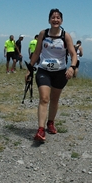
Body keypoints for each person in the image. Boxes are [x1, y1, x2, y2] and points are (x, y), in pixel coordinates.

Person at [27, 9, 77, 143]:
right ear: (49, 20)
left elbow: (73, 54)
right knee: (44, 98)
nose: (55, 20)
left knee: (54, 99)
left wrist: (72, 67)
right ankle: (41, 129)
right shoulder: (43, 34)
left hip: (60, 72)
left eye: (58, 18)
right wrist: (29, 69)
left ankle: (50, 123)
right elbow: (36, 53)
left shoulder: (66, 36)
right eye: (53, 17)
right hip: (43, 70)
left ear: (61, 21)